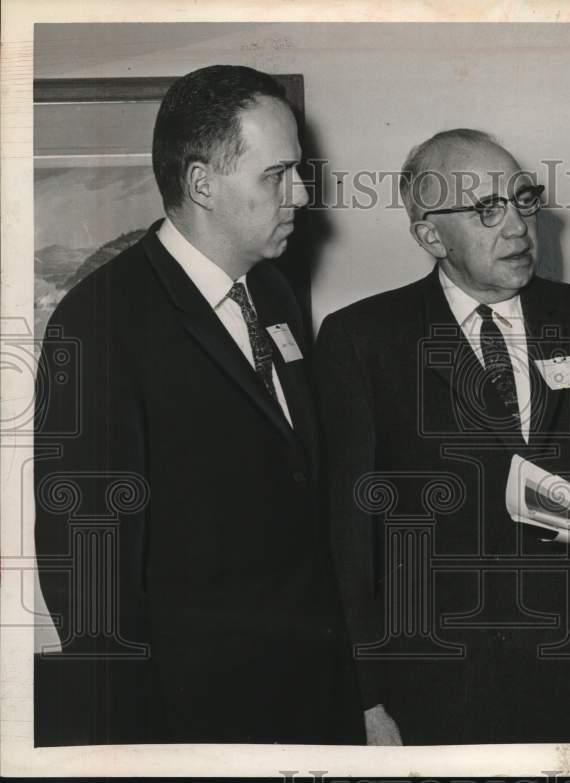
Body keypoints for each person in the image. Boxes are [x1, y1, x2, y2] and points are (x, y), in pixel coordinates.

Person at [315, 129, 570, 745]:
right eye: (487, 209)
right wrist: (368, 701)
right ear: (431, 236)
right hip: (440, 694)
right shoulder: (363, 341)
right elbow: (350, 546)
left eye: (522, 199)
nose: (517, 226)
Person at [34, 65, 363, 745]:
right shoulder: (101, 321)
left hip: (311, 700)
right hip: (194, 720)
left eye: (298, 171)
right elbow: (88, 567)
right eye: (276, 175)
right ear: (201, 184)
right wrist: (130, 743)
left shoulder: (272, 293)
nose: (301, 194)